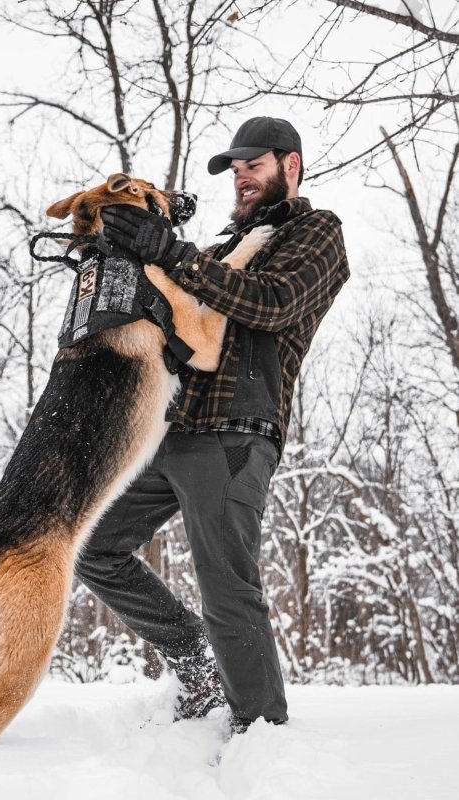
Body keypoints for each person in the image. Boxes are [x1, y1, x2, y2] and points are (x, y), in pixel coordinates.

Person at [75, 116, 349, 733]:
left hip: (233, 432)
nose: (242, 178)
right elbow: (175, 311)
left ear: (291, 165)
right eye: (235, 170)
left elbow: (271, 303)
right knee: (94, 547)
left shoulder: (316, 232)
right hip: (169, 431)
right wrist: (120, 251)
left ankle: (261, 735)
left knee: (227, 590)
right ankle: (196, 661)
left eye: (254, 165)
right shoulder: (224, 246)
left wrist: (173, 253)